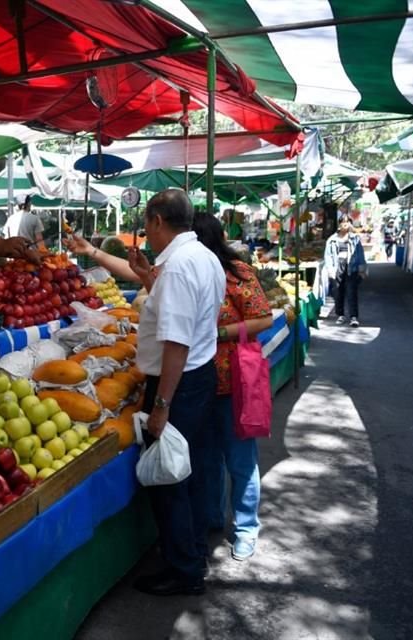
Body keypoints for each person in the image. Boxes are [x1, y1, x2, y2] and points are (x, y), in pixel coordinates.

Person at [68, 189, 225, 595]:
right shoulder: (203, 258)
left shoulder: (176, 269)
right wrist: (142, 273)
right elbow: (181, 307)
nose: (146, 235)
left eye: (147, 226)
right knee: (187, 471)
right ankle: (190, 551)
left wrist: (161, 406)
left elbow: (176, 344)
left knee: (169, 478)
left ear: (157, 221)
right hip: (201, 376)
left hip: (179, 382)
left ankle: (183, 571)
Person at [189, 214, 273, 560]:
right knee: (206, 459)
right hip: (198, 381)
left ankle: (246, 527)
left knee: (240, 460)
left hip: (235, 380)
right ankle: (210, 517)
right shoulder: (188, 272)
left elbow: (264, 319)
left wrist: (221, 333)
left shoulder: (237, 273)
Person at [323, 215, 367, 327]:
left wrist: (362, 269)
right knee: (338, 292)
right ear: (339, 224)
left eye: (347, 222)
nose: (345, 224)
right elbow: (328, 256)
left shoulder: (355, 238)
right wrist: (330, 269)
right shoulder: (332, 240)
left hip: (351, 267)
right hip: (337, 266)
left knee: (352, 292)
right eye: (343, 222)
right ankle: (340, 315)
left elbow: (360, 253)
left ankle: (353, 317)